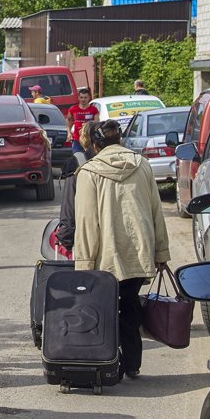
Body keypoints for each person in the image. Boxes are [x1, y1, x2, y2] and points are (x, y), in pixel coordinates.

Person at [73, 120, 170, 380]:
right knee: (129, 304)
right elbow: (156, 211)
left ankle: (107, 361)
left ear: (95, 145)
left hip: (105, 256)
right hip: (139, 251)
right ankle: (132, 364)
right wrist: (161, 252)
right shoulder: (143, 165)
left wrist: (83, 264)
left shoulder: (89, 172)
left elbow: (86, 222)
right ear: (120, 141)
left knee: (103, 310)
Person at [54, 121, 93, 258]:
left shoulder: (75, 164)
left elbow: (69, 209)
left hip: (92, 242)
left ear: (84, 139)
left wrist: (65, 239)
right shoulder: (134, 162)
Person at [66, 87, 98, 154]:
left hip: (89, 140)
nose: (83, 99)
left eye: (85, 97)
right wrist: (69, 133)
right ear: (78, 98)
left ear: (89, 98)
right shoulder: (73, 109)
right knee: (78, 158)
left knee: (89, 159)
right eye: (81, 97)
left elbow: (96, 123)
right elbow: (68, 120)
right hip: (77, 139)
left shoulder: (93, 109)